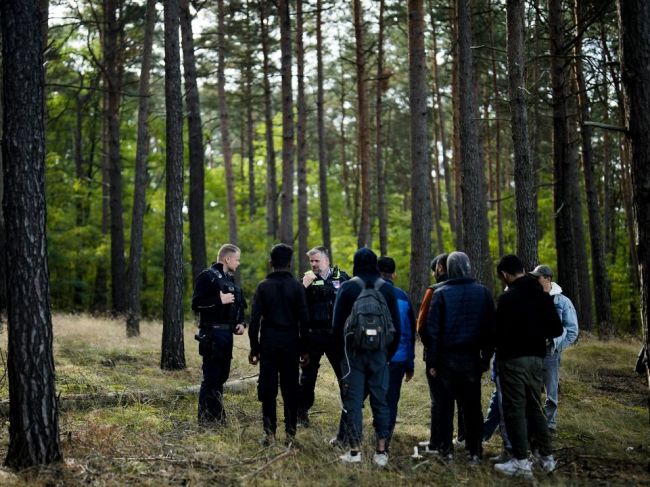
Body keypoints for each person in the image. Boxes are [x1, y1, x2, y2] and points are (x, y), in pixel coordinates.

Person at [420, 251, 495, 463]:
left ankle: (446, 452)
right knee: (472, 408)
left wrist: (433, 362)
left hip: (446, 361)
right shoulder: (483, 292)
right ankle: (474, 452)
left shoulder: (441, 293)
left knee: (445, 408)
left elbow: (432, 331)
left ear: (449, 268)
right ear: (468, 267)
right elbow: (491, 329)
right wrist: (485, 358)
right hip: (471, 360)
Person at [493, 255, 563, 478]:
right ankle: (547, 458)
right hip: (537, 359)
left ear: (505, 275)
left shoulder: (508, 299)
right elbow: (557, 329)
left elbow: (496, 333)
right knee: (535, 408)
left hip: (512, 360)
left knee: (515, 409)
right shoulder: (542, 296)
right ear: (523, 269)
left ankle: (521, 462)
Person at [332, 248, 401, 467]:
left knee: (353, 403)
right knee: (380, 401)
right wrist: (386, 355)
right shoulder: (388, 290)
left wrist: (342, 358)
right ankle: (381, 452)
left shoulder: (347, 287)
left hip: (353, 357)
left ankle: (355, 452)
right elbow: (396, 329)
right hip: (379, 356)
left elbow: (336, 328)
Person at [248, 244, 310, 446]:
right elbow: (305, 321)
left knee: (268, 388)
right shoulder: (298, 287)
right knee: (291, 388)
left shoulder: (263, 286)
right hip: (291, 343)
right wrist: (305, 349)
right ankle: (291, 435)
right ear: (290, 263)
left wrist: (254, 348)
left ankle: (269, 434)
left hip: (269, 343)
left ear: (271, 263)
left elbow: (254, 321)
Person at [192, 244, 246, 426]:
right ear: (227, 259)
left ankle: (217, 418)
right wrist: (218, 300)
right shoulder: (207, 277)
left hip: (226, 335)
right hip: (211, 334)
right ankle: (206, 420)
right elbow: (196, 304)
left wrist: (240, 323)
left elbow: (238, 308)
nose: (238, 263)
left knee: (221, 378)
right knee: (211, 378)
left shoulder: (230, 281)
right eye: (237, 259)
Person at [297, 246, 350, 429]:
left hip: (336, 336)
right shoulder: (307, 279)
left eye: (317, 261)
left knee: (345, 375)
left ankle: (349, 412)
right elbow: (296, 304)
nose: (313, 265)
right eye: (311, 261)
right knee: (308, 377)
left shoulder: (342, 277)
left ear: (326, 260)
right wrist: (304, 286)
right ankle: (301, 412)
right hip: (313, 336)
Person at [530, 264, 579, 433]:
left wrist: (558, 347)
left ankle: (549, 425)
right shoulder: (532, 298)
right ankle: (534, 423)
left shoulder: (562, 301)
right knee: (532, 389)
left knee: (551, 392)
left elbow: (572, 330)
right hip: (532, 351)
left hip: (551, 351)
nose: (536, 280)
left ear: (548, 279)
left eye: (538, 277)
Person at [377, 256, 415, 450]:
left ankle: (352, 436)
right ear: (394, 274)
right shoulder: (403, 296)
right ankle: (385, 438)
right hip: (397, 359)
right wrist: (410, 364)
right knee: (391, 400)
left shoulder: (368, 292)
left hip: (372, 356)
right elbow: (409, 332)